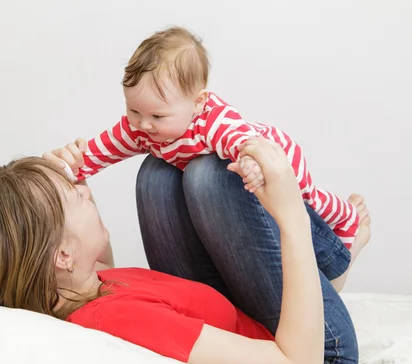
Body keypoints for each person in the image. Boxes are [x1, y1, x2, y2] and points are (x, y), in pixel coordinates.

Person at [0, 137, 371, 364]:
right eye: (77, 196)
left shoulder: (81, 288)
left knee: (158, 174)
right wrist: (289, 213)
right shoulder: (122, 321)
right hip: (314, 359)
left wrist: (77, 184)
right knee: (213, 178)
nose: (85, 191)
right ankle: (338, 258)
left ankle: (330, 272)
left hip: (231, 319)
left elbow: (101, 264)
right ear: (62, 256)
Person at [51, 25, 361, 255]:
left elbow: (242, 140)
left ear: (197, 103)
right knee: (155, 171)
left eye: (158, 117)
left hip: (275, 156)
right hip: (234, 179)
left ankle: (346, 218)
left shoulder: (212, 119)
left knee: (308, 200)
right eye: (133, 110)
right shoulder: (141, 125)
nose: (144, 124)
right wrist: (65, 167)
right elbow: (99, 152)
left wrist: (251, 162)